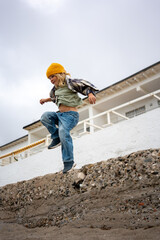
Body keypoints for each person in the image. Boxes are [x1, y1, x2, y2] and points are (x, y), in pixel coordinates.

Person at [40, 63, 98, 173]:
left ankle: (69, 162)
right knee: (45, 117)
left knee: (63, 132)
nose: (51, 80)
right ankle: (55, 137)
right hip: (60, 115)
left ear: (59, 74)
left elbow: (85, 86)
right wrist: (45, 100)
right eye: (49, 78)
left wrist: (90, 94)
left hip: (71, 116)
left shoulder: (70, 83)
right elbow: (53, 98)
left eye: (52, 76)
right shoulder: (55, 90)